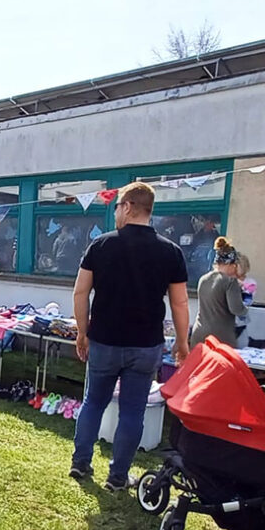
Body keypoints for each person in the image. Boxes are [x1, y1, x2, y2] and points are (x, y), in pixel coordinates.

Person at [70, 182, 190, 491]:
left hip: (104, 340)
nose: (115, 215)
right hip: (146, 344)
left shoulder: (100, 246)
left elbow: (81, 292)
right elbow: (179, 302)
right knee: (133, 411)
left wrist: (82, 332)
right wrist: (182, 341)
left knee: (93, 403)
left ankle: (80, 463)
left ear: (128, 207)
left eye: (117, 208)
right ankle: (118, 477)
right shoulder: (170, 251)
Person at [190, 237, 248, 348]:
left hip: (199, 334)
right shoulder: (230, 282)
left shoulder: (203, 279)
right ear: (232, 264)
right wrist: (246, 307)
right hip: (220, 337)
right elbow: (236, 309)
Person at [234, 253, 256, 343]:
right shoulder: (226, 280)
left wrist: (241, 286)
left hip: (240, 323)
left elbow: (248, 301)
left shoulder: (250, 283)